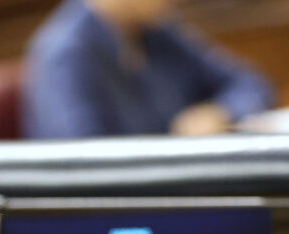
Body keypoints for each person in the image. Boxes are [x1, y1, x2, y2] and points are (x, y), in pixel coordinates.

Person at [22, 0, 274, 138]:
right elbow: (85, 163)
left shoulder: (158, 30)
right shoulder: (65, 54)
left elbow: (250, 83)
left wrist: (220, 112)